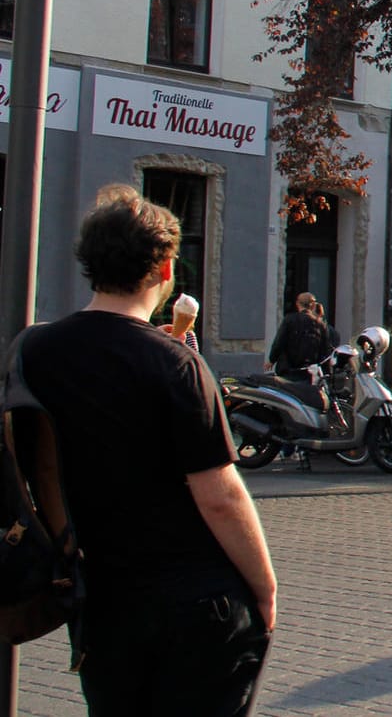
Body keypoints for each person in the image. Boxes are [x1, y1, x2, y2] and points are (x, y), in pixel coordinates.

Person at [8, 185, 275, 713]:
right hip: (196, 602)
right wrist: (264, 588)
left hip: (101, 597)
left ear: (90, 263)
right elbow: (219, 495)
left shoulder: (34, 349)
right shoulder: (174, 363)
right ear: (166, 268)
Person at [268, 290, 331, 379]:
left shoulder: (289, 320)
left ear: (297, 304)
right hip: (309, 372)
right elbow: (325, 350)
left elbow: (279, 341)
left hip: (288, 369)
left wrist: (272, 359)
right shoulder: (320, 325)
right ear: (313, 306)